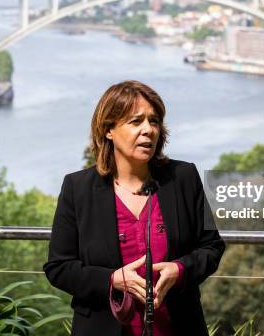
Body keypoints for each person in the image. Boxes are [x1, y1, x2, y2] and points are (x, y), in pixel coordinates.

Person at [44, 80, 225, 336]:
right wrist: (111, 280)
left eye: (153, 121)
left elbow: (212, 247)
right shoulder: (78, 188)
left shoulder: (183, 177)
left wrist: (180, 270)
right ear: (109, 129)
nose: (148, 130)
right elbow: (59, 268)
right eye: (135, 121)